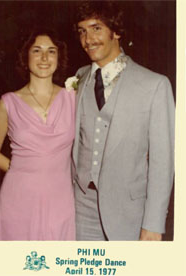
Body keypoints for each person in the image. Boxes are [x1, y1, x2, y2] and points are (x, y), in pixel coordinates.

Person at [72, 1, 175, 241]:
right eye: (82, 31)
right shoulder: (78, 78)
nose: (88, 39)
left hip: (129, 215)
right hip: (79, 208)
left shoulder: (154, 85)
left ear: (116, 31)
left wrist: (153, 222)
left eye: (96, 28)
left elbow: (163, 162)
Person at [0, 28, 76, 241]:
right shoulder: (8, 102)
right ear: (26, 57)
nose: (44, 57)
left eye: (51, 51)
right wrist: (23, 171)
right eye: (37, 50)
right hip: (18, 199)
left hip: (61, 199)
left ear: (58, 57)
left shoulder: (73, 99)